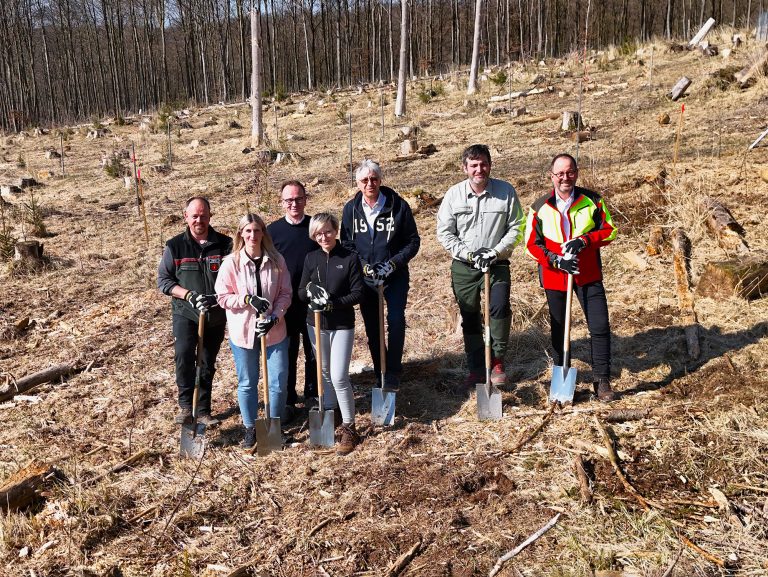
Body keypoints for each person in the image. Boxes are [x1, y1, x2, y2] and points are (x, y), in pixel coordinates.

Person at [524, 153, 618, 402]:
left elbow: (610, 231)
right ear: (552, 176)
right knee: (559, 329)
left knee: (599, 326)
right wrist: (555, 259)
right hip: (555, 275)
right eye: (560, 173)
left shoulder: (593, 201)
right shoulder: (539, 207)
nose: (565, 178)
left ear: (576, 172)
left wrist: (584, 240)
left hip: (587, 273)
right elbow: (531, 245)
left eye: (570, 172)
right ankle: (562, 379)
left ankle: (602, 380)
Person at [436, 144, 525, 394]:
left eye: (483, 164)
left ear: (490, 165)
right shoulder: (453, 195)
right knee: (470, 315)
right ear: (465, 168)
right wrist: (469, 253)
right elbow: (444, 233)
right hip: (465, 267)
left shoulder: (505, 192)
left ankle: (496, 361)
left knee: (498, 307)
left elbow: (517, 227)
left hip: (497, 264)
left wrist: (495, 252)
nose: (479, 169)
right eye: (473, 165)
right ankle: (476, 366)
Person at [340, 160, 420, 391]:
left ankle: (393, 370)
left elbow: (413, 241)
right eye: (364, 180)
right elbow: (347, 243)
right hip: (367, 280)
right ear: (357, 183)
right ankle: (380, 372)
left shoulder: (398, 205)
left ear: (380, 180)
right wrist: (363, 265)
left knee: (395, 320)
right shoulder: (351, 209)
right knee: (373, 327)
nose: (370, 184)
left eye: (374, 179)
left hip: (394, 276)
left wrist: (394, 264)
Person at [215, 214, 292, 448]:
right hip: (243, 332)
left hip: (274, 331)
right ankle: (250, 428)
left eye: (257, 231)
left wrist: (275, 316)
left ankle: (272, 428)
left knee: (277, 382)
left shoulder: (277, 260)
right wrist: (247, 299)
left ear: (263, 233)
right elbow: (222, 297)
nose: (252, 236)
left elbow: (285, 294)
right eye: (247, 231)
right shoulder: (231, 263)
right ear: (241, 234)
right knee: (248, 382)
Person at [157, 196, 233, 425]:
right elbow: (164, 281)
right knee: (184, 355)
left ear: (210, 216)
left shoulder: (225, 244)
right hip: (186, 312)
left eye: (203, 215)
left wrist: (217, 298)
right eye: (194, 216)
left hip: (215, 314)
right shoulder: (175, 246)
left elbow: (235, 277)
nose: (199, 220)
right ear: (186, 217)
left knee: (207, 361)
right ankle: (185, 406)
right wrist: (189, 295)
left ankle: (202, 410)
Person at [299, 213, 364, 455]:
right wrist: (309, 291)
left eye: (327, 231)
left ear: (335, 231)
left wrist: (331, 304)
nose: (323, 237)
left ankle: (350, 427)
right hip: (315, 324)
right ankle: (329, 416)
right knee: (323, 372)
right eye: (318, 233)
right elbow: (300, 292)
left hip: (341, 324)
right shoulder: (311, 258)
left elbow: (358, 293)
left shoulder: (349, 258)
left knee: (338, 376)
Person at [267, 180, 319, 418]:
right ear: (282, 203)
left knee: (313, 350)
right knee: (287, 350)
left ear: (305, 199)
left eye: (298, 199)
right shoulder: (272, 232)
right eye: (289, 200)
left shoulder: (314, 227)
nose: (294, 204)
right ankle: (288, 399)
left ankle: (312, 394)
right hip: (285, 303)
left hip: (311, 301)